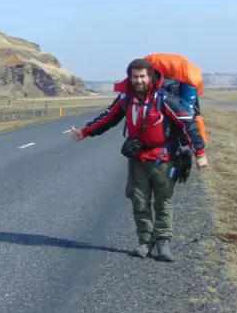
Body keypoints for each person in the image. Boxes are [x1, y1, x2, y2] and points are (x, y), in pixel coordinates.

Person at [69, 58, 209, 261]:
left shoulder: (165, 99)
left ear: (150, 76)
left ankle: (163, 243)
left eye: (142, 76)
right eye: (135, 76)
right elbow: (108, 118)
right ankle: (145, 242)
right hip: (137, 159)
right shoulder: (126, 99)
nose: (139, 80)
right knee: (139, 202)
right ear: (130, 77)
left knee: (163, 201)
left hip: (163, 158)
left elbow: (188, 125)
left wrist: (200, 154)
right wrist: (85, 132)